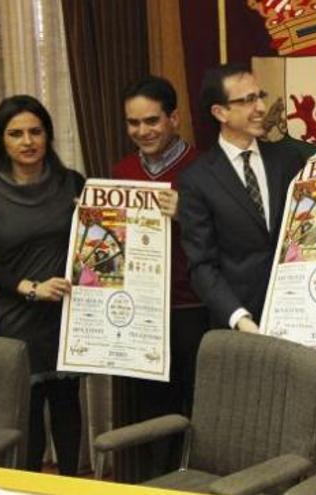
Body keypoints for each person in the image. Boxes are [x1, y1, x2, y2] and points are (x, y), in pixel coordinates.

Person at [0, 95, 84, 475]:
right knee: (28, 422)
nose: (27, 141)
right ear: (1, 140)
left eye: (35, 131)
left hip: (66, 320)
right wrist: (31, 287)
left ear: (48, 136)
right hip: (19, 322)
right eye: (16, 133)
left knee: (68, 413)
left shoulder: (74, 184)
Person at [111, 75, 209, 478]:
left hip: (194, 308)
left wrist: (187, 212)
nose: (142, 132)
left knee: (199, 409)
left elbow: (236, 235)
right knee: (153, 411)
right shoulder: (122, 170)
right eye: (133, 124)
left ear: (174, 118)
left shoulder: (205, 168)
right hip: (142, 313)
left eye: (151, 121)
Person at [178, 64, 310, 331]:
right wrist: (239, 317)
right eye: (249, 100)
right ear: (220, 112)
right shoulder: (197, 179)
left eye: (260, 96)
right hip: (240, 325)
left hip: (298, 315)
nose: (261, 107)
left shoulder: (288, 161)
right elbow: (202, 265)